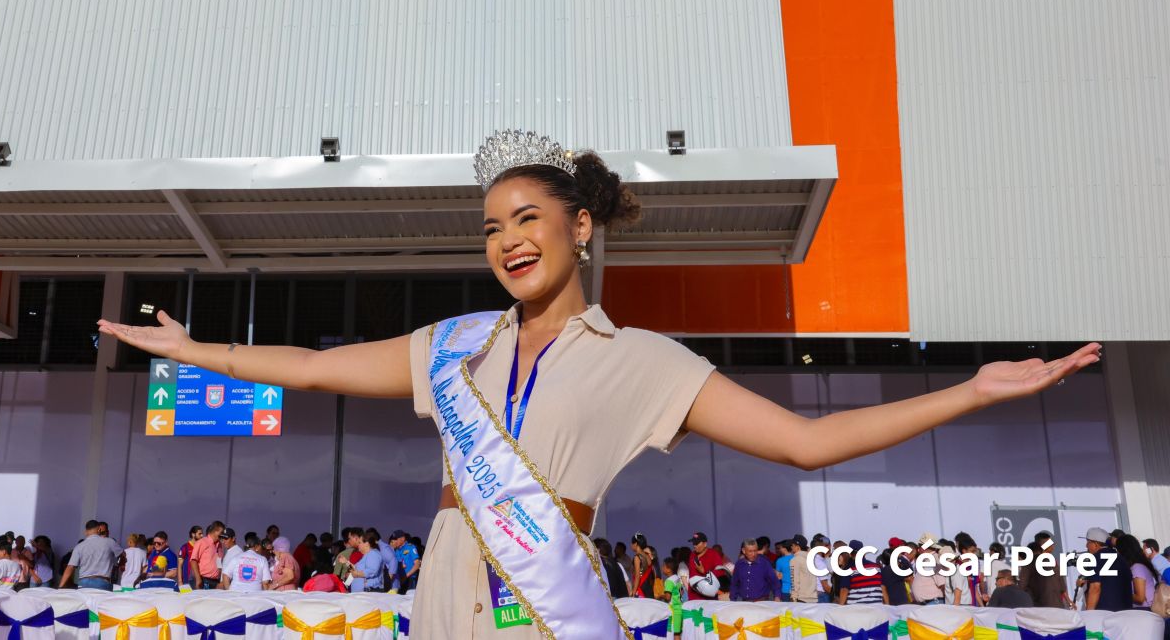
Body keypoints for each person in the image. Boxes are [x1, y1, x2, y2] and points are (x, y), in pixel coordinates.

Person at [99, 131, 1102, 639]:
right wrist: (194, 352)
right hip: (449, 581)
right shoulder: (457, 344)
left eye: (526, 218)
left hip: (547, 592)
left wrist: (970, 391)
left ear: (578, 226)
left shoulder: (644, 358)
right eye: (490, 227)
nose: (506, 241)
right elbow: (314, 369)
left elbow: (807, 444)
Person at [58, 520, 119, 591]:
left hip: (83, 583)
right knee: (100, 602)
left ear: (86, 532)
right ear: (99, 529)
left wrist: (60, 587)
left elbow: (70, 567)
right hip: (103, 582)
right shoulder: (110, 542)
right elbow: (123, 555)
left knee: (84, 602)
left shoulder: (79, 546)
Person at [1084, 527, 1134, 611]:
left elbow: (1095, 587)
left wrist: (1089, 614)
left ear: (1096, 544)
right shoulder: (1121, 558)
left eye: (1088, 542)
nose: (1086, 546)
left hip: (1105, 614)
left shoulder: (1095, 559)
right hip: (1126, 612)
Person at [1019, 531, 1068, 609]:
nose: (1053, 545)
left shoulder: (1029, 563)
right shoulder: (1051, 562)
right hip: (1057, 607)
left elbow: (1022, 586)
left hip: (1040, 608)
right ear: (1041, 545)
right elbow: (1062, 586)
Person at [1117, 532, 1157, 610]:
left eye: (1118, 550)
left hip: (1143, 611)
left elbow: (1140, 598)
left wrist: (1120, 593)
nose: (1117, 553)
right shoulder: (1138, 566)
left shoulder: (1137, 568)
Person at [189, 522, 224, 590]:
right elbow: (193, 561)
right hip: (203, 580)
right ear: (215, 531)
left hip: (216, 581)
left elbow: (219, 562)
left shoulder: (219, 545)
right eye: (221, 532)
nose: (222, 535)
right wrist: (198, 579)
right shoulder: (202, 542)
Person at [881, 538, 912, 606]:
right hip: (903, 601)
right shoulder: (902, 562)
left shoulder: (883, 568)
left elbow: (883, 589)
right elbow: (910, 579)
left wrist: (887, 605)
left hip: (897, 603)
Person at [663, 559, 685, 638]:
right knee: (678, 633)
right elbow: (682, 592)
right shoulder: (677, 578)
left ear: (668, 569)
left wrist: (659, 595)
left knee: (673, 634)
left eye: (663, 566)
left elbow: (668, 597)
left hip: (673, 610)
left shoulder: (669, 581)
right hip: (680, 608)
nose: (662, 568)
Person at [631, 534, 656, 599]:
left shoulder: (637, 557)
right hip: (649, 590)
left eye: (632, 543)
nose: (631, 545)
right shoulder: (648, 556)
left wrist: (633, 593)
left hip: (640, 590)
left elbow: (637, 576)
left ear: (636, 544)